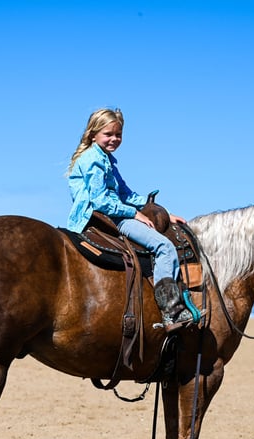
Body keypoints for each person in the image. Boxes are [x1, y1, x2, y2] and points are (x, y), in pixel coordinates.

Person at [66, 108, 198, 331]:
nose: (114, 139)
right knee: (164, 246)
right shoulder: (94, 160)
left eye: (118, 134)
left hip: (112, 212)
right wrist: (134, 213)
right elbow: (100, 200)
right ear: (93, 134)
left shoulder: (105, 159)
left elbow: (125, 194)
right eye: (108, 134)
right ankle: (171, 311)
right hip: (107, 217)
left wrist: (164, 213)